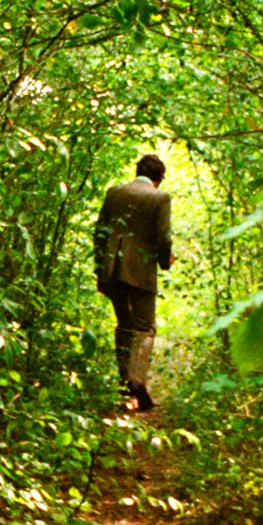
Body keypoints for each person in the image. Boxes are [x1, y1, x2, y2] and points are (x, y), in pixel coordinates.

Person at [93, 154, 173, 412]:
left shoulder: (114, 192)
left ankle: (125, 388)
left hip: (112, 271)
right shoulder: (159, 197)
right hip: (141, 273)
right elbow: (163, 237)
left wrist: (100, 271)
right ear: (159, 178)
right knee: (144, 327)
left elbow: (100, 231)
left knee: (124, 326)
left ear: (136, 171)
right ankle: (136, 381)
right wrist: (165, 261)